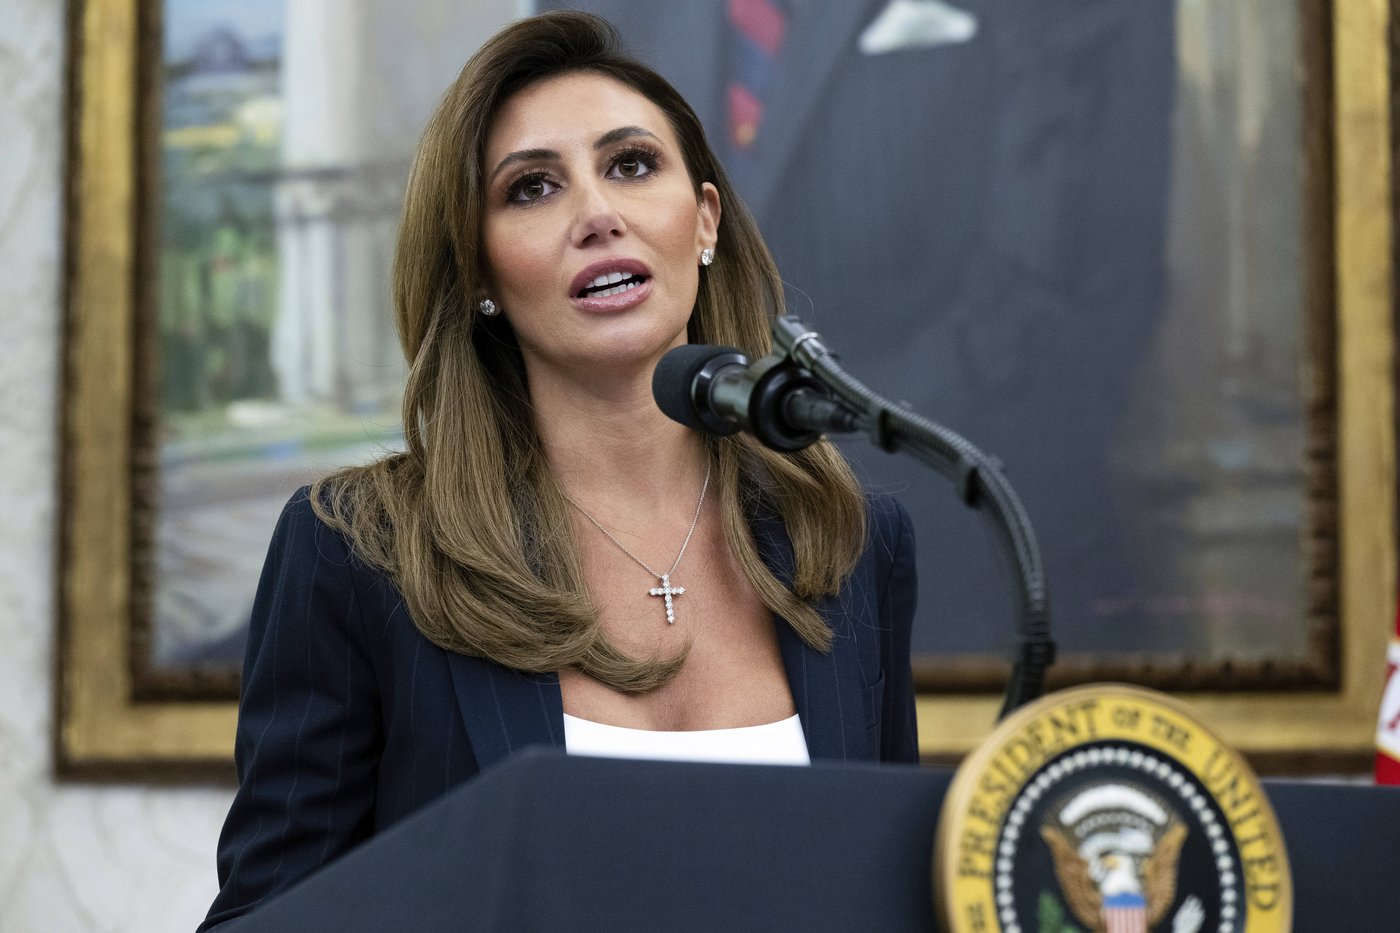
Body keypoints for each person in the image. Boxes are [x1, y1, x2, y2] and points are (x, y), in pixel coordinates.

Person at [198, 11, 917, 930]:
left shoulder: (851, 544)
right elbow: (267, 917)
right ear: (480, 273)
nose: (597, 215)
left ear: (703, 221)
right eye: (532, 188)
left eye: (630, 165)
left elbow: (884, 893)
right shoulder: (360, 550)